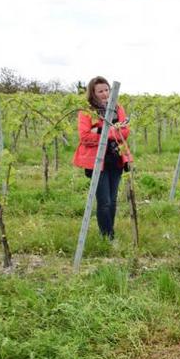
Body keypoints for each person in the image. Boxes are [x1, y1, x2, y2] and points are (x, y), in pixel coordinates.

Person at [73, 75, 132, 241]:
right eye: (100, 91)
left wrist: (100, 131)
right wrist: (114, 132)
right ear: (93, 93)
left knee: (113, 200)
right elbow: (85, 136)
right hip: (97, 161)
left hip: (116, 158)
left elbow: (125, 132)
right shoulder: (87, 111)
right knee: (104, 200)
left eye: (107, 90)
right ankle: (107, 236)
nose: (105, 94)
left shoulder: (117, 108)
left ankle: (109, 232)